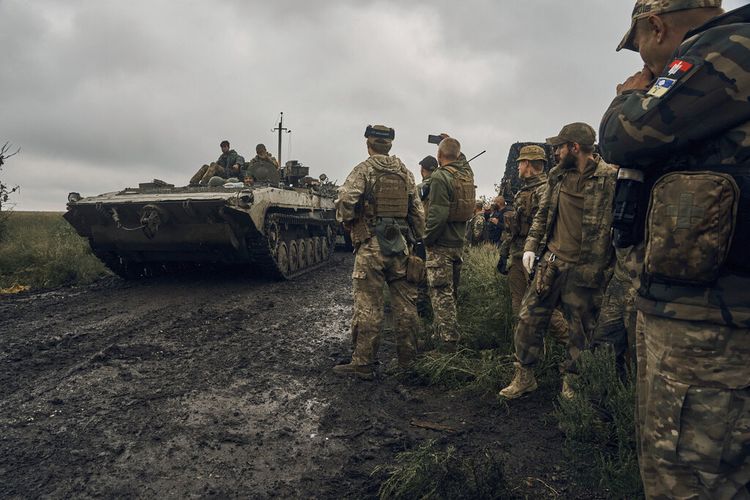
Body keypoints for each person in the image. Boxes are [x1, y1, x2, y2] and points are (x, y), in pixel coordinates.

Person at [600, 1, 750, 497]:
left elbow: (626, 136)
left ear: (656, 26)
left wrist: (627, 98)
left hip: (712, 322)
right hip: (706, 310)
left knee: (688, 479)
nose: (641, 59)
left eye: (640, 42)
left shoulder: (721, 50)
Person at [499, 123, 616, 400]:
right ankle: (524, 377)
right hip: (551, 264)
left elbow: (618, 225)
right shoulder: (556, 176)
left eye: (560, 147)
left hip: (587, 270)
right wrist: (530, 246)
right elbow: (542, 216)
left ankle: (572, 383)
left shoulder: (609, 178)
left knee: (581, 331)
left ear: (574, 148)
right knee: (528, 319)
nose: (555, 152)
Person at [333, 125, 425, 380]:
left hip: (371, 245)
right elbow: (418, 213)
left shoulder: (364, 170)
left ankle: (363, 363)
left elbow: (345, 202)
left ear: (368, 144)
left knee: (368, 305)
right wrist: (416, 239)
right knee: (406, 306)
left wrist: (348, 219)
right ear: (390, 146)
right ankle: (408, 362)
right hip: (400, 246)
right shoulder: (405, 173)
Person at [498, 145, 568, 344]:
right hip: (518, 255)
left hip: (534, 259)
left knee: (544, 308)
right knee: (518, 307)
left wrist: (539, 257)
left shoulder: (544, 190)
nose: (518, 167)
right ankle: (523, 357)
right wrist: (505, 254)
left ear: (527, 163)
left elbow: (545, 226)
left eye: (520, 163)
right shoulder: (525, 190)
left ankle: (577, 353)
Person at [423, 137, 475, 350]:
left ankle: (448, 344)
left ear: (438, 156)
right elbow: (461, 160)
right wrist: (452, 144)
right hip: (458, 243)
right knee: (451, 293)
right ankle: (444, 334)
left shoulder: (440, 177)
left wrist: (426, 239)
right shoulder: (466, 175)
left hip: (441, 244)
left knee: (440, 293)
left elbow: (437, 215)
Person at [416, 155, 438, 318]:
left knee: (422, 274)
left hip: (424, 235)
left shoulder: (424, 186)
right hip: (440, 235)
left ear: (423, 170)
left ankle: (423, 311)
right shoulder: (445, 183)